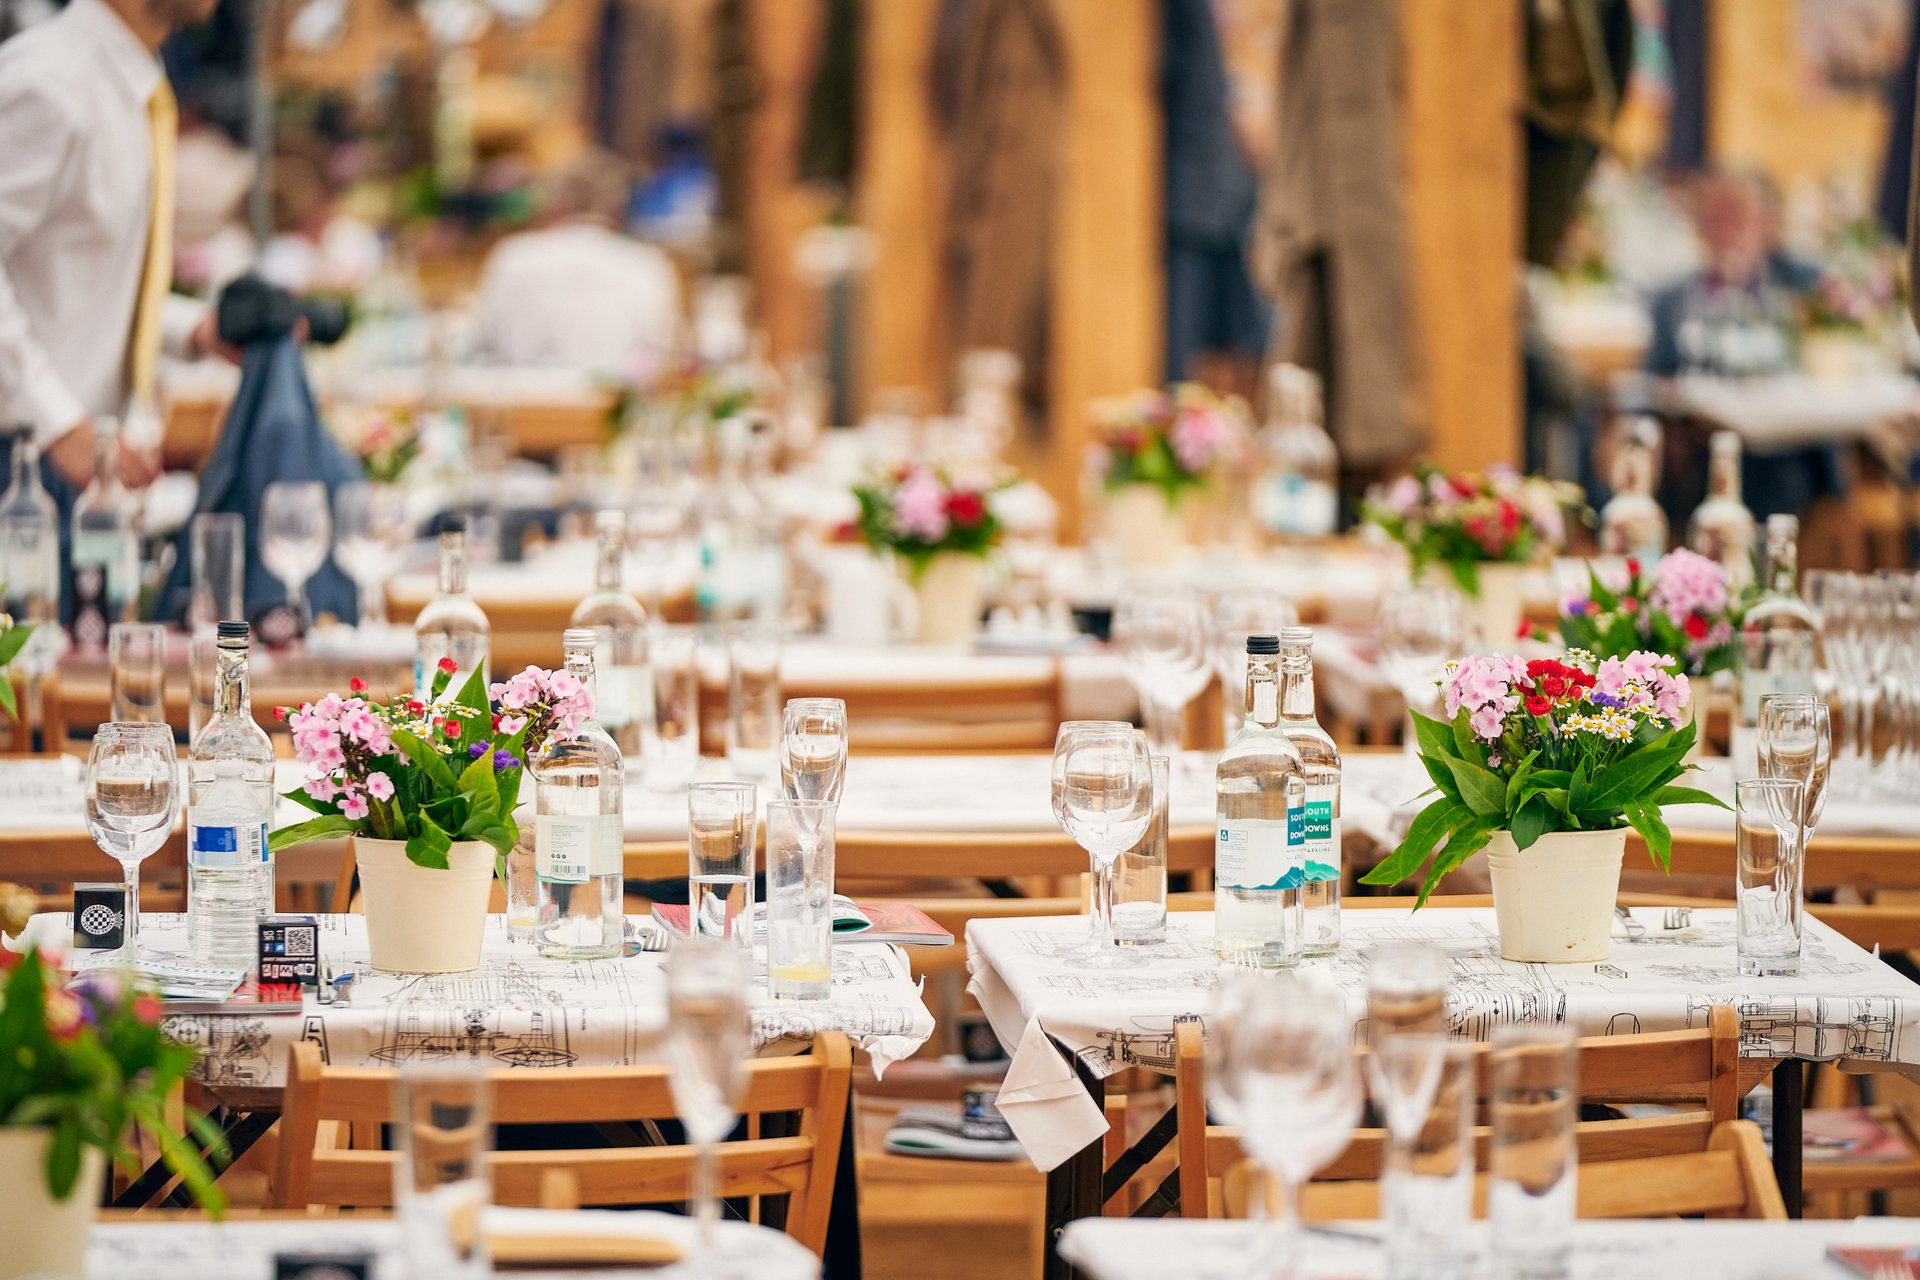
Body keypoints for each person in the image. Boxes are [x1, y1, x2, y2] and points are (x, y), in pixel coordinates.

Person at [0, 0, 227, 491]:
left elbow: (76, 287)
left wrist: (194, 330)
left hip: (74, 460)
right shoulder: (48, 80)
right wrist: (57, 423)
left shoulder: (128, 82)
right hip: (23, 464)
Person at [1643, 170, 1835, 526]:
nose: (1723, 230)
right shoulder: (1672, 300)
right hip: (1699, 452)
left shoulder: (1804, 287)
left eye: (1736, 215)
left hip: (1788, 451)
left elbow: (1831, 363)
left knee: (1770, 472)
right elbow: (1653, 380)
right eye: (1713, 216)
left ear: (1768, 224)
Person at [472, 151, 682, 374]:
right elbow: (666, 351)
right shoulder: (646, 263)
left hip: (525, 394)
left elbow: (479, 344)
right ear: (618, 209)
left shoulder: (513, 256)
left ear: (555, 203)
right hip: (614, 394)